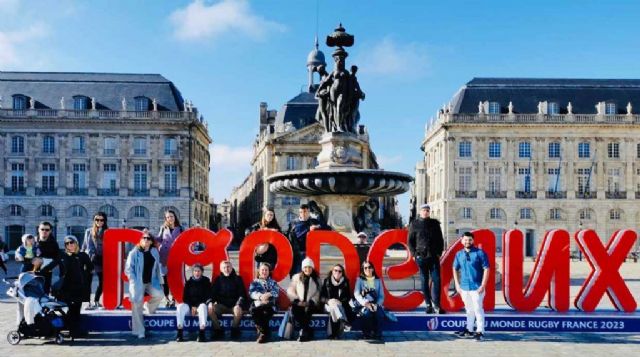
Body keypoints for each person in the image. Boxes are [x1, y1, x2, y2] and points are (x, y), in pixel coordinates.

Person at [52, 236, 93, 340]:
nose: (70, 245)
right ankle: (73, 331)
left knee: (76, 310)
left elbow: (90, 268)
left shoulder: (83, 255)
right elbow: (51, 265)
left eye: (72, 242)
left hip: (79, 288)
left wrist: (84, 276)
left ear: (76, 243)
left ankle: (74, 331)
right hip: (67, 289)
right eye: (67, 243)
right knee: (72, 310)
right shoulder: (63, 256)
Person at [125, 232, 164, 339]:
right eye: (144, 238)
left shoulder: (154, 251)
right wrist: (133, 280)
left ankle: (149, 307)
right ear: (140, 240)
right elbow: (128, 269)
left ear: (151, 241)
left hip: (151, 281)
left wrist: (160, 279)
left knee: (159, 294)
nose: (146, 240)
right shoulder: (134, 252)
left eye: (148, 238)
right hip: (138, 282)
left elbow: (157, 267)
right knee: (136, 304)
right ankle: (139, 331)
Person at [408, 204, 445, 314]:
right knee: (424, 280)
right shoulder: (414, 224)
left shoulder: (435, 223)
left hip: (433, 256)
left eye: (428, 210)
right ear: (420, 211)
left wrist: (439, 252)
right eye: (424, 210)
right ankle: (428, 304)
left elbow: (440, 239)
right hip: (421, 256)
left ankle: (437, 305)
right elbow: (410, 241)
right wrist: (414, 254)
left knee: (437, 280)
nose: (426, 212)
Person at [453, 232, 490, 342]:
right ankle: (469, 329)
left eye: (470, 240)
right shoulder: (459, 254)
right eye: (465, 240)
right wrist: (457, 284)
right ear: (461, 241)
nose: (467, 242)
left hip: (477, 287)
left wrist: (483, 285)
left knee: (478, 309)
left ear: (473, 241)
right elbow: (454, 268)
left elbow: (486, 269)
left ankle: (480, 331)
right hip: (464, 287)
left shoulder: (480, 253)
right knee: (469, 310)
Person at [210, 260, 247, 340]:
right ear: (221, 269)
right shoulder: (218, 280)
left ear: (231, 268)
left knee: (238, 310)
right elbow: (213, 294)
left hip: (234, 305)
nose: (226, 269)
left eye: (228, 267)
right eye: (224, 267)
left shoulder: (238, 279)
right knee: (210, 309)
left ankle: (234, 330)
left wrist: (238, 304)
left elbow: (242, 294)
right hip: (222, 305)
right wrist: (210, 303)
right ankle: (218, 330)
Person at [287, 257, 321, 342]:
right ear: (302, 268)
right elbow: (290, 289)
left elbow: (318, 292)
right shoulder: (296, 277)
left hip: (311, 303)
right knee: (296, 310)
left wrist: (311, 301)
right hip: (299, 302)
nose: (307, 269)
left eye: (309, 267)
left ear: (312, 268)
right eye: (305, 267)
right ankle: (306, 330)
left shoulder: (317, 279)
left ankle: (303, 332)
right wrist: (297, 300)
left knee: (307, 311)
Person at [155, 210, 184, 308]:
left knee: (175, 278)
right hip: (164, 256)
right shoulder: (163, 228)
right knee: (164, 279)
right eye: (167, 217)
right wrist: (149, 236)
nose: (170, 218)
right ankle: (167, 298)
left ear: (175, 217)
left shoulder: (180, 229)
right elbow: (158, 239)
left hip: (176, 257)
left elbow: (184, 241)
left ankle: (174, 298)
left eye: (171, 216)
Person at [176, 264, 211, 342]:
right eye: (195, 271)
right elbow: (185, 298)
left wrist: (196, 306)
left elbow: (207, 296)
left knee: (202, 307)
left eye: (199, 271)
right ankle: (179, 332)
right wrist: (191, 306)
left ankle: (201, 333)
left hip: (200, 305)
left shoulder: (206, 281)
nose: (197, 273)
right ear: (193, 272)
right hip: (190, 306)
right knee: (180, 306)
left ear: (202, 272)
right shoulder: (189, 282)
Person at [320, 263, 354, 339]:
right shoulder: (327, 281)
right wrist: (328, 301)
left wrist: (340, 301)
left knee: (334, 308)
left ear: (342, 273)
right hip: (327, 305)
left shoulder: (345, 282)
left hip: (339, 305)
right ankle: (343, 322)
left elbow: (348, 296)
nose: (337, 273)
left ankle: (332, 334)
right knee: (333, 306)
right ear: (332, 271)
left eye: (340, 271)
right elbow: (321, 297)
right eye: (335, 270)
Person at [249, 262, 280, 343]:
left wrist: (268, 294)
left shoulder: (273, 282)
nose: (264, 272)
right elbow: (251, 293)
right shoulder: (255, 282)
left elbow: (276, 292)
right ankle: (265, 333)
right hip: (258, 303)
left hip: (270, 304)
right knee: (254, 311)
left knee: (266, 313)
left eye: (266, 270)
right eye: (262, 270)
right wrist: (260, 297)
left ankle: (262, 333)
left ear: (269, 272)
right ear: (259, 271)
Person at [287, 204, 322, 277]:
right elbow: (295, 236)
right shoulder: (294, 223)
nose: (303, 214)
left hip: (312, 251)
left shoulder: (314, 221)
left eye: (305, 212)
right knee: (297, 274)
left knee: (310, 275)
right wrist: (308, 229)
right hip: (298, 252)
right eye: (301, 212)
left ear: (309, 212)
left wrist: (319, 225)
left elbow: (326, 228)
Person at [354, 261, 385, 340]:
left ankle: (378, 334)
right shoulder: (360, 280)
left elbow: (381, 296)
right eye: (365, 268)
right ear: (363, 270)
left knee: (379, 314)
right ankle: (366, 334)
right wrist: (366, 303)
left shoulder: (378, 280)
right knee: (367, 313)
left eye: (369, 267)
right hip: (365, 304)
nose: (368, 269)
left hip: (375, 303)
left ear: (373, 269)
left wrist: (377, 304)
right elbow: (356, 294)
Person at [82, 212, 107, 309]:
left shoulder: (107, 231)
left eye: (101, 220)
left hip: (102, 259)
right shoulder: (89, 231)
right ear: (94, 221)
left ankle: (96, 300)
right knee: (88, 282)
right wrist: (81, 256)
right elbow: (84, 245)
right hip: (90, 259)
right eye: (97, 220)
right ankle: (88, 303)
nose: (99, 222)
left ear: (104, 221)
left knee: (103, 282)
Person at [36, 221, 60, 295]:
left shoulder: (54, 243)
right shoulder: (32, 241)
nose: (44, 231)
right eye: (42, 229)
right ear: (38, 230)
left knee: (45, 293)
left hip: (47, 272)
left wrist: (48, 267)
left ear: (50, 231)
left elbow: (57, 258)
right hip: (32, 271)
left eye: (47, 230)